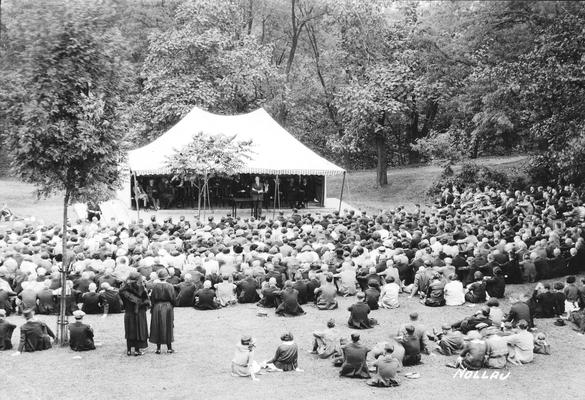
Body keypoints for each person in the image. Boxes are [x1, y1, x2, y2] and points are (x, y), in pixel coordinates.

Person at [119, 272, 150, 356]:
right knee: (138, 330)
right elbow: (146, 300)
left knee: (129, 330)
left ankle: (129, 350)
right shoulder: (141, 287)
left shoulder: (123, 289)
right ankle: (137, 350)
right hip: (139, 312)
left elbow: (122, 301)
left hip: (128, 312)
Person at [149, 269, 177, 354]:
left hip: (157, 307)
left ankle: (158, 348)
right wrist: (172, 305)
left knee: (157, 326)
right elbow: (173, 299)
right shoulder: (170, 286)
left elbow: (152, 298)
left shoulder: (155, 286)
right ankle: (169, 348)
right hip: (167, 307)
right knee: (168, 326)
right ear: (166, 277)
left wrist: (153, 308)